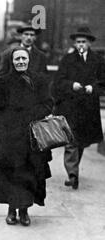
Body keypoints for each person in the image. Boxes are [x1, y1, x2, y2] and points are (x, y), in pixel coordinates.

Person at [0, 47, 53, 226]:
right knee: (11, 173)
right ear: (12, 61)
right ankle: (11, 209)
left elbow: (48, 103)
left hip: (32, 137)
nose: (20, 62)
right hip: (10, 136)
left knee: (29, 174)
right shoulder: (3, 82)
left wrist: (32, 114)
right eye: (17, 59)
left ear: (29, 60)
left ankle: (25, 211)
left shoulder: (39, 80)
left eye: (23, 59)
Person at [53, 27, 105, 190]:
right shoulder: (67, 59)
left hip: (88, 107)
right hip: (70, 106)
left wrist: (93, 88)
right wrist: (71, 85)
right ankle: (72, 173)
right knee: (71, 140)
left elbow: (103, 82)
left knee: (81, 140)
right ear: (74, 44)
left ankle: (73, 169)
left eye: (84, 42)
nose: (81, 45)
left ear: (89, 43)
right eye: (78, 42)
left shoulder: (98, 60)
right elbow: (58, 82)